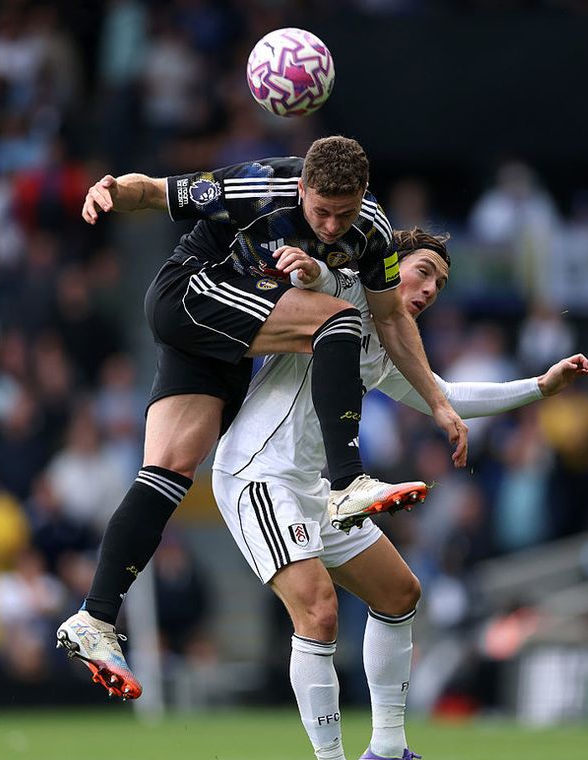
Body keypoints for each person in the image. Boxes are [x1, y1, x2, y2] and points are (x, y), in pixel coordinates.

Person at [56, 137, 468, 700]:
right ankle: (348, 482)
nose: (331, 226)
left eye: (343, 213)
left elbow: (393, 318)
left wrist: (439, 402)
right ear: (301, 187)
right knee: (337, 321)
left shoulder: (372, 232)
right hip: (192, 293)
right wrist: (110, 190)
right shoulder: (258, 186)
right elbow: (153, 192)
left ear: (364, 197)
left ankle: (95, 617)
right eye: (320, 211)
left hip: (224, 343)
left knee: (168, 471)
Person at [211, 228, 588, 760]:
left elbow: (444, 393)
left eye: (440, 283)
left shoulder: (384, 347)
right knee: (318, 611)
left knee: (399, 593)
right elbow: (317, 270)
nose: (430, 289)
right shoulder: (342, 294)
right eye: (423, 272)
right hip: (256, 476)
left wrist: (541, 388)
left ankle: (388, 752)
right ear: (390, 265)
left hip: (314, 487)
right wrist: (303, 265)